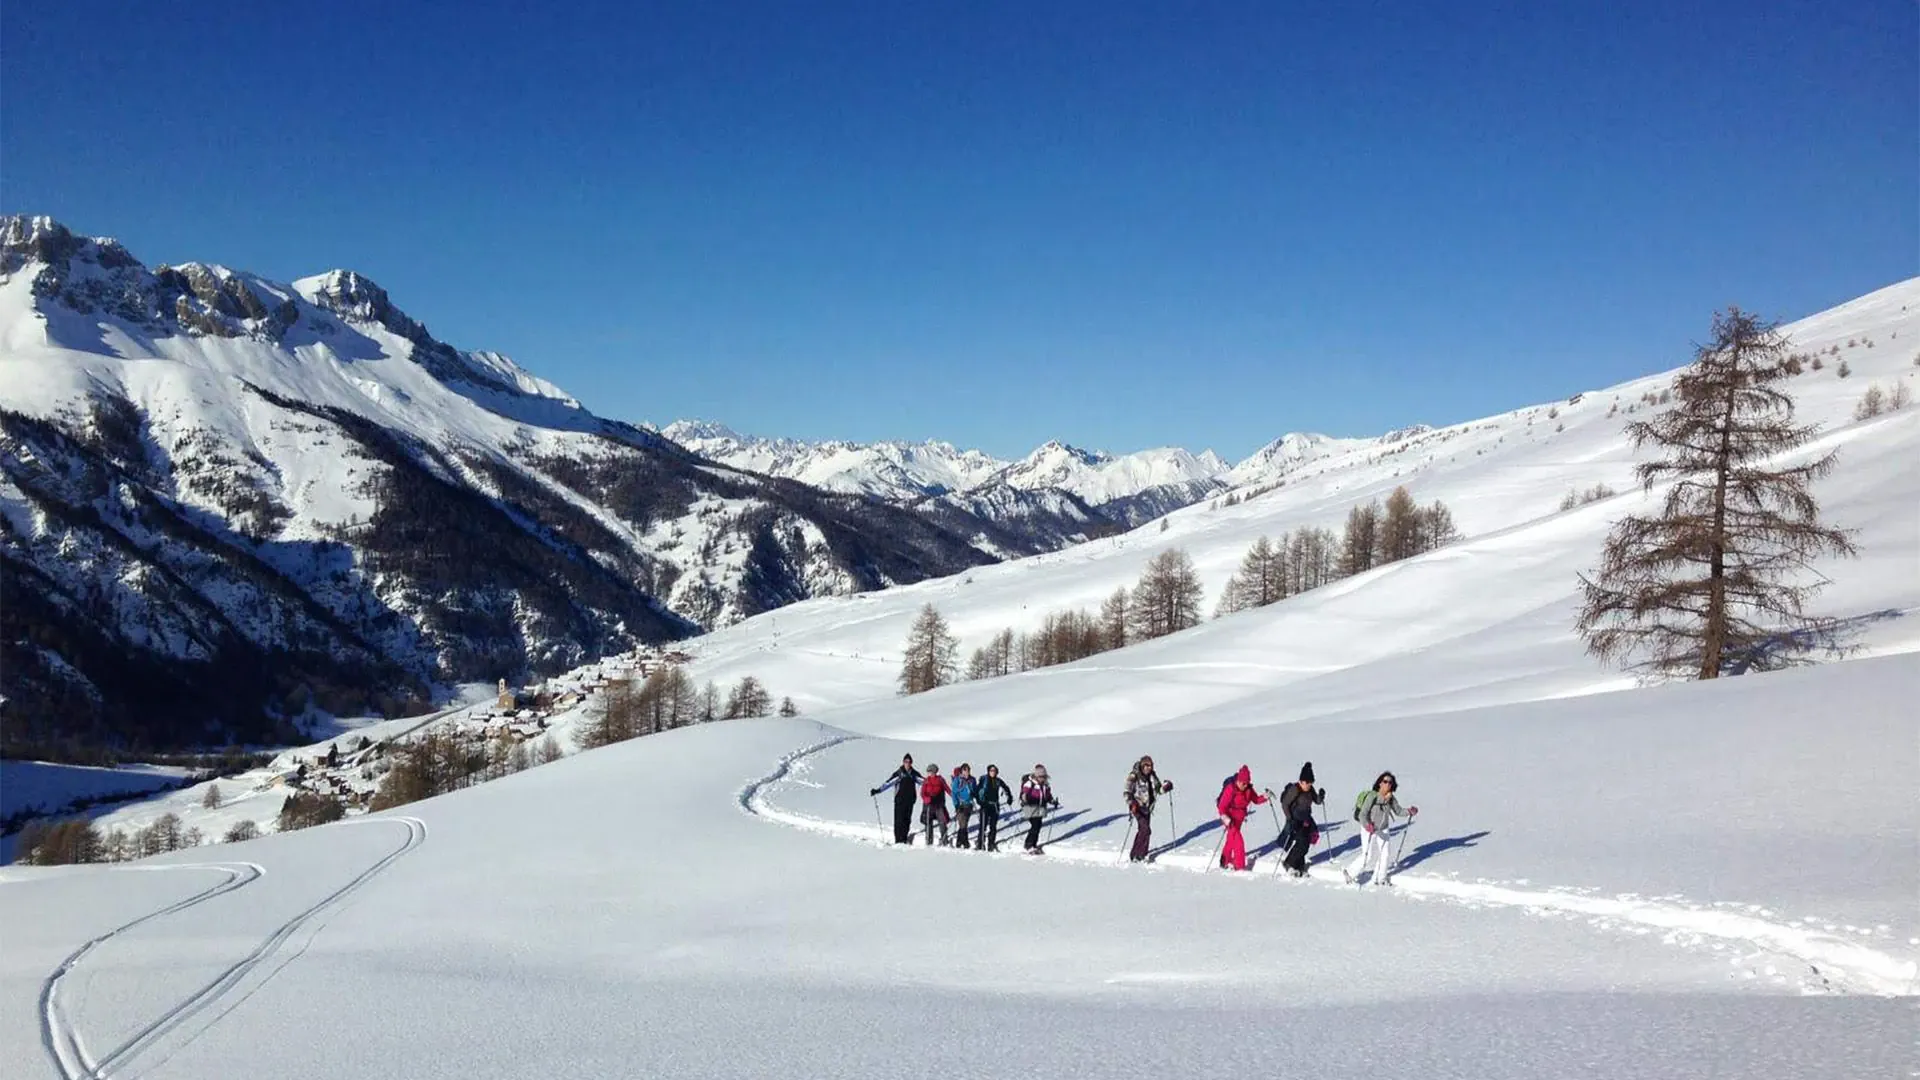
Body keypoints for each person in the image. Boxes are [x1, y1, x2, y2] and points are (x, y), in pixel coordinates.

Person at [1346, 770, 1418, 885]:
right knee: (1368, 855)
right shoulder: (1372, 797)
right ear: (1380, 783)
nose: (1388, 784)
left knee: (1385, 854)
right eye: (1385, 781)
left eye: (1390, 782)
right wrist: (1367, 825)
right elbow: (1362, 814)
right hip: (1369, 828)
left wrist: (1409, 811)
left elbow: (1398, 811)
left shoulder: (1391, 798)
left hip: (1383, 828)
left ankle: (1380, 878)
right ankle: (1350, 873)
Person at [1214, 765, 1271, 871]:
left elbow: (1256, 800)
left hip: (1239, 818)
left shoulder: (1249, 789)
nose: (1243, 785)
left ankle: (1224, 860)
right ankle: (1239, 866)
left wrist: (1265, 797)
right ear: (1238, 780)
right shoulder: (1230, 789)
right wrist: (1225, 817)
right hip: (1229, 818)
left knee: (1231, 839)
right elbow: (1222, 806)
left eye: (1246, 783)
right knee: (1239, 841)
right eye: (1241, 782)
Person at [1278, 762, 1325, 877]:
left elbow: (1317, 801)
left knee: (1305, 842)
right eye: (1307, 783)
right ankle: (1289, 863)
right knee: (1302, 843)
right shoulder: (1295, 789)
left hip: (1306, 819)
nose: (1309, 785)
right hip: (1295, 819)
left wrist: (1321, 796)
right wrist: (1290, 819)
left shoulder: (1310, 789)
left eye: (1311, 783)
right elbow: (1285, 804)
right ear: (1301, 781)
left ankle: (1299, 867)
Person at [1123, 756, 1172, 862]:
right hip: (1137, 807)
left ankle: (1142, 853)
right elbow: (1127, 792)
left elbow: (1159, 790)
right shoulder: (1134, 775)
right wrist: (1132, 803)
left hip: (1148, 807)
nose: (1149, 768)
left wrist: (1166, 787)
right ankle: (1135, 854)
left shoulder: (1152, 775)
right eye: (1147, 765)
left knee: (1145, 831)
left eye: (1150, 765)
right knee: (1145, 829)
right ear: (1142, 765)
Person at [870, 754, 922, 844]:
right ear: (903, 762)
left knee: (907, 820)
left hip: (910, 801)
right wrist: (878, 790)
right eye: (906, 762)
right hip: (899, 801)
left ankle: (904, 839)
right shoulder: (899, 773)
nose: (907, 764)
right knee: (898, 821)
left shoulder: (914, 774)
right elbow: (888, 783)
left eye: (909, 762)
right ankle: (898, 840)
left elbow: (923, 782)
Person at [1019, 765, 1059, 853]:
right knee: (1035, 825)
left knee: (1038, 826)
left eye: (1044, 776)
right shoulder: (1030, 783)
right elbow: (1024, 793)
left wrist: (1053, 801)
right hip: (1030, 807)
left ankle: (1033, 844)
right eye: (1040, 776)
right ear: (1036, 776)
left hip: (1040, 807)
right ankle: (1028, 845)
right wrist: (1025, 799)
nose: (1042, 778)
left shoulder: (1045, 785)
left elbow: (1048, 796)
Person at [976, 764, 1013, 851]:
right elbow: (977, 792)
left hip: (995, 806)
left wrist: (1009, 797)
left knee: (993, 826)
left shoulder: (998, 780)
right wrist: (980, 802)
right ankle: (980, 844)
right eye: (991, 771)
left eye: (994, 771)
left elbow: (1006, 788)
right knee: (983, 826)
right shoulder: (983, 780)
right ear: (988, 771)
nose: (993, 772)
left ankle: (991, 844)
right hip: (985, 806)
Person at [919, 763, 952, 847]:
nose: (929, 773)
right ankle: (929, 841)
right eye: (928, 772)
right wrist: (926, 799)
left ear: (934, 771)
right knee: (928, 823)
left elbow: (947, 789)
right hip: (929, 805)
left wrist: (953, 796)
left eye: (930, 771)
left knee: (942, 822)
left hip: (939, 804)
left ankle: (944, 840)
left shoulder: (940, 780)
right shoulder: (926, 780)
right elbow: (922, 793)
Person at [950, 764, 978, 850]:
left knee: (964, 823)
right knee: (963, 823)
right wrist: (956, 805)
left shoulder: (972, 780)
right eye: (965, 770)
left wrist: (974, 794)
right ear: (961, 771)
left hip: (969, 804)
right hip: (960, 804)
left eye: (968, 770)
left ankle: (960, 841)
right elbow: (954, 793)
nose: (967, 772)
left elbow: (975, 790)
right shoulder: (957, 780)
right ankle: (965, 842)